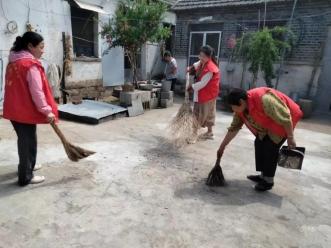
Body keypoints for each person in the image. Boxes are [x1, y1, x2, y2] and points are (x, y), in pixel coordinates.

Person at [217, 87, 303, 191]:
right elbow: (233, 128)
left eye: (233, 106)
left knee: (270, 147)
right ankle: (263, 176)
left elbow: (286, 117)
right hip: (269, 123)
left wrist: (290, 137)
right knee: (259, 143)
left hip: (284, 121)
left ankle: (268, 181)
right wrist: (222, 147)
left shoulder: (265, 100)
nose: (232, 109)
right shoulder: (240, 110)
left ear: (241, 102)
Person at [3, 31, 58, 186]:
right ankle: (26, 176)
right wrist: (47, 111)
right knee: (28, 142)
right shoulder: (30, 65)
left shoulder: (13, 62)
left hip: (14, 110)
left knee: (25, 140)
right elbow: (37, 93)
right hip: (24, 112)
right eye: (40, 47)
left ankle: (28, 166)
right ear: (30, 46)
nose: (43, 50)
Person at [187, 45, 220, 144]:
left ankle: (193, 135)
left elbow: (202, 83)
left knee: (198, 114)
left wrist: (191, 87)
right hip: (211, 94)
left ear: (209, 57)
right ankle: (210, 133)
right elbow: (197, 64)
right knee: (209, 114)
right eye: (199, 55)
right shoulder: (204, 62)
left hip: (205, 95)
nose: (200, 58)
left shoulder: (210, 68)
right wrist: (192, 67)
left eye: (203, 56)